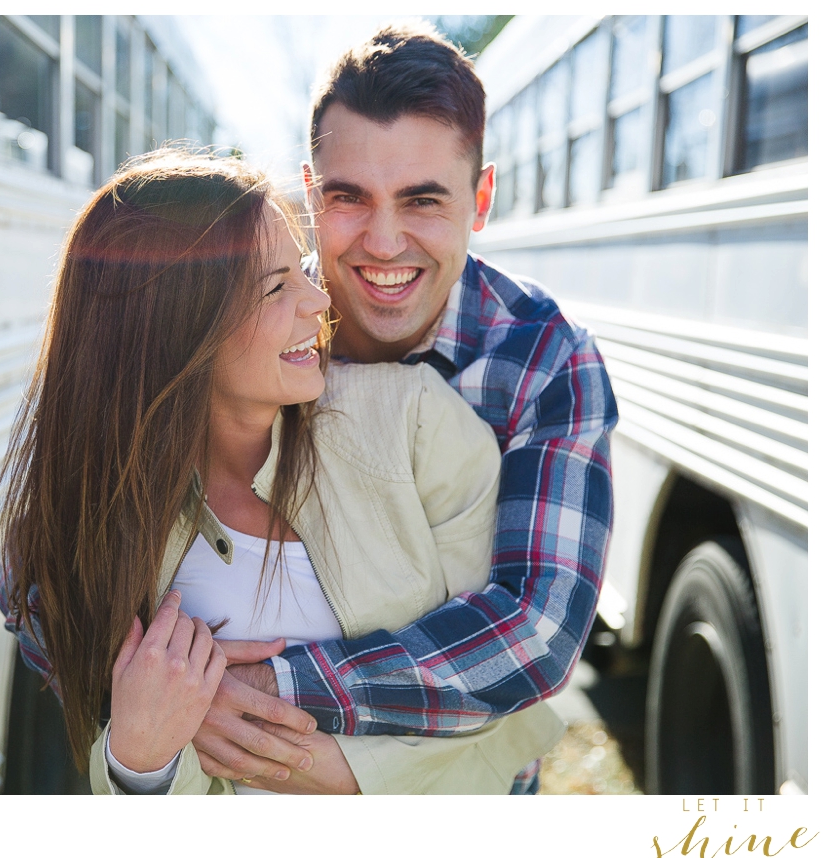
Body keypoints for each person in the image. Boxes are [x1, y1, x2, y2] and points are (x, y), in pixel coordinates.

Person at [0, 149, 564, 794]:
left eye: (302, 271)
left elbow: (505, 703)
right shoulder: (91, 535)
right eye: (275, 286)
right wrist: (141, 759)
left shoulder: (414, 424)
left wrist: (337, 772)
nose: (318, 300)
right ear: (174, 330)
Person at [186, 21, 618, 795]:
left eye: (423, 200)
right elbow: (40, 579)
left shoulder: (544, 361)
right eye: (350, 198)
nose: (384, 243)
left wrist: (272, 691)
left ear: (480, 198)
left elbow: (537, 631)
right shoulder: (232, 328)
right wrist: (168, 693)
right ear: (311, 197)